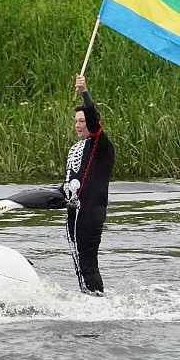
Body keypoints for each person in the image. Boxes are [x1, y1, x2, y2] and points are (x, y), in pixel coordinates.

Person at [60, 73, 114, 295]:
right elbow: (70, 183)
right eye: (76, 121)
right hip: (74, 213)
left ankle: (98, 300)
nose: (78, 125)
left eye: (81, 121)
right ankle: (86, 296)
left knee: (88, 262)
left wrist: (84, 92)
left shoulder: (100, 146)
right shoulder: (76, 148)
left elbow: (94, 120)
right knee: (78, 264)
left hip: (91, 211)